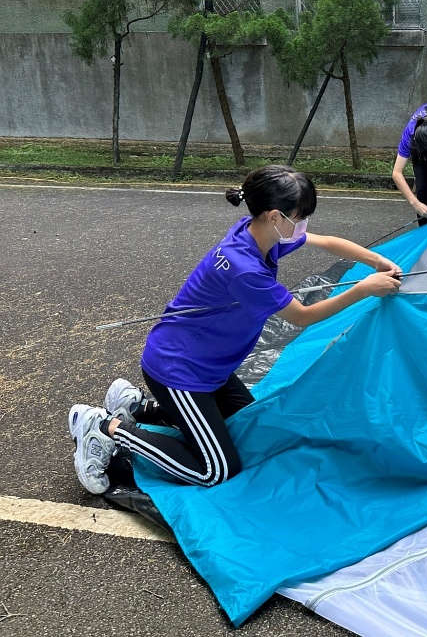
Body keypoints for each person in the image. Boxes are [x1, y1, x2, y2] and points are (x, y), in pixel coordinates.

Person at [68, 165, 402, 495]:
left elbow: (327, 241)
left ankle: (139, 407)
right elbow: (301, 316)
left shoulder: (259, 234)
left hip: (212, 367)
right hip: (180, 371)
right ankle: (103, 427)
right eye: (299, 217)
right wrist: (364, 288)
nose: (303, 225)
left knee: (250, 426)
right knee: (217, 469)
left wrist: (376, 261)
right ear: (275, 216)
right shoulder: (246, 269)